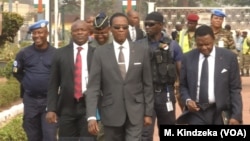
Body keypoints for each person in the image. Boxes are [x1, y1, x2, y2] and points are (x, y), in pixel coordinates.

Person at [86, 12, 154, 141]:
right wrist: (91, 116)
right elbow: (93, 87)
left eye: (124, 27)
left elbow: (147, 84)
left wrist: (148, 113)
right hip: (110, 113)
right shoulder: (100, 53)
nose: (121, 30)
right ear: (111, 29)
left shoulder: (141, 51)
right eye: (117, 27)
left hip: (135, 112)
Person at [176, 25, 242, 125]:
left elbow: (235, 89)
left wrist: (236, 115)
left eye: (208, 44)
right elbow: (183, 85)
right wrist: (187, 100)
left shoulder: (229, 58)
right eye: (200, 45)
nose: (204, 48)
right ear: (195, 42)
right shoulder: (187, 58)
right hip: (196, 113)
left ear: (214, 40)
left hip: (220, 112)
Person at [45, 20, 96, 141]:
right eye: (76, 30)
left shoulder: (97, 54)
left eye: (82, 30)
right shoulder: (60, 54)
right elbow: (53, 84)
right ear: (71, 33)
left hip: (88, 107)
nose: (79, 33)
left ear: (88, 32)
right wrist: (51, 109)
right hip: (66, 107)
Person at [140, 11, 183, 141]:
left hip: (166, 94)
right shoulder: (138, 45)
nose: (147, 27)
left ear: (160, 25)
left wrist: (182, 93)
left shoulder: (173, 46)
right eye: (145, 24)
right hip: (145, 95)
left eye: (151, 24)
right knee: (145, 133)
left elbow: (181, 71)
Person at [12, 20, 57, 141]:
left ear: (47, 33)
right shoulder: (23, 53)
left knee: (49, 136)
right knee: (32, 135)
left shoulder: (56, 54)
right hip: (31, 101)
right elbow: (16, 72)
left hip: (49, 101)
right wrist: (27, 83)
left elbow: (62, 76)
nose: (36, 36)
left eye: (40, 32)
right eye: (34, 33)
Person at [89, 12, 113, 141]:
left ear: (108, 30)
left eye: (103, 32)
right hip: (96, 96)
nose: (100, 36)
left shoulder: (116, 45)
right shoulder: (90, 47)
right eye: (97, 33)